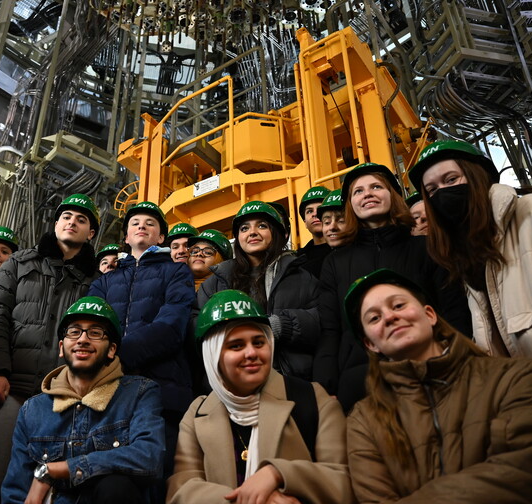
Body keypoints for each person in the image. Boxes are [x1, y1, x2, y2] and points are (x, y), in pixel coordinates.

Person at [343, 268, 532, 503]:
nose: (389, 317)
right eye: (374, 318)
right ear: (370, 344)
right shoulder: (364, 421)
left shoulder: (513, 379)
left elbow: (522, 471)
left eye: (398, 306)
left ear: (430, 315)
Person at [312, 162, 472, 413]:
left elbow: (453, 312)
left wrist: (456, 363)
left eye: (377, 186)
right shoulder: (335, 263)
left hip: (429, 374)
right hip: (358, 383)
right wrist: (324, 385)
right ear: (351, 205)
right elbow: (330, 329)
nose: (368, 194)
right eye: (358, 191)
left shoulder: (427, 248)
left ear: (393, 196)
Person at [167, 290, 354, 504]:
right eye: (236, 345)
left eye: (258, 342)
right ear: (213, 355)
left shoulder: (313, 398)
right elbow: (180, 491)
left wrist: (278, 474)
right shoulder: (197, 413)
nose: (251, 353)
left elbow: (345, 481)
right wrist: (250, 500)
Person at [0, 194, 99, 504]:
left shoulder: (95, 281)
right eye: (67, 216)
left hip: (62, 397)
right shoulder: (20, 262)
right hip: (11, 388)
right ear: (56, 223)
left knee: (49, 483)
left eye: (81, 219)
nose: (72, 221)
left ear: (91, 233)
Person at [1, 296, 165, 504]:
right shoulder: (32, 410)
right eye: (74, 331)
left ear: (112, 350)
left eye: (95, 332)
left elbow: (149, 458)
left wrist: (57, 469)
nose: (83, 339)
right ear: (61, 347)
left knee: (116, 486)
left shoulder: (140, 393)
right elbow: (15, 491)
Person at [87, 201, 194, 483]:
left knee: (156, 476)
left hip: (162, 389)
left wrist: (115, 356)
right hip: (107, 393)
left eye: (150, 223)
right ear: (125, 237)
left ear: (161, 238)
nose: (141, 226)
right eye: (135, 223)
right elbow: (91, 326)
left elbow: (172, 325)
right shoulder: (104, 282)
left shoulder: (177, 272)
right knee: (104, 480)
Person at [409, 140, 532, 358]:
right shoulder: (461, 255)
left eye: (451, 179)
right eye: (431, 190)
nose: (442, 193)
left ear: (478, 176)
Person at [198, 201, 320, 382]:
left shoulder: (302, 277)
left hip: (291, 381)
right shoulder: (216, 282)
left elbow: (323, 320)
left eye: (262, 226)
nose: (252, 232)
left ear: (277, 233)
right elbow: (197, 325)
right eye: (244, 228)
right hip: (233, 382)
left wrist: (280, 325)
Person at [296, 186, 332, 277]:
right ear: (305, 222)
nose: (315, 214)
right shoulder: (297, 259)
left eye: (320, 209)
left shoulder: (350, 249)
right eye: (309, 211)